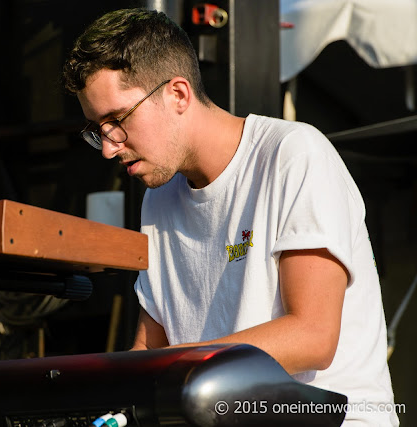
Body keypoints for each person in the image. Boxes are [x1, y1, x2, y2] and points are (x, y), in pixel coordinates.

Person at [62, 7, 399, 426]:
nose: (109, 147)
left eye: (117, 120)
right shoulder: (158, 197)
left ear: (178, 94)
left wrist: (171, 367)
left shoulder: (293, 155)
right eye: (97, 129)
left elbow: (312, 336)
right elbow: (150, 350)